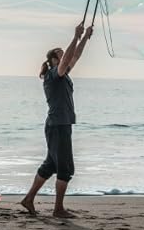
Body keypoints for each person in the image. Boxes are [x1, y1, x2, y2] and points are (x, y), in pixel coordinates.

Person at [21, 22, 93, 218]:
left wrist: (85, 37)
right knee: (66, 168)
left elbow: (75, 56)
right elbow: (68, 59)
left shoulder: (61, 73)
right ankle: (58, 209)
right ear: (54, 60)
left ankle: (28, 199)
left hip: (59, 124)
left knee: (51, 165)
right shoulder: (54, 74)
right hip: (58, 125)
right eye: (61, 54)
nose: (65, 56)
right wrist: (75, 37)